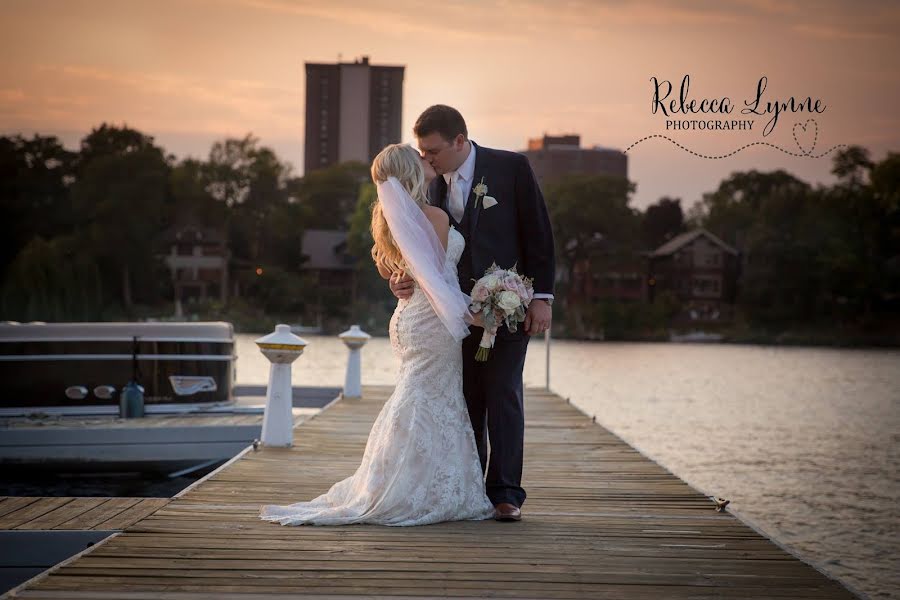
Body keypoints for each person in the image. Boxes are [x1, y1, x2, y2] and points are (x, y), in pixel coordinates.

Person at [259, 143, 495, 526]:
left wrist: (402, 281)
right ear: (410, 170)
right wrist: (478, 316)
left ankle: (398, 479)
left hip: (408, 319)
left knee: (417, 395)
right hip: (431, 320)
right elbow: (438, 283)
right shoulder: (432, 216)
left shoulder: (388, 218)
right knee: (428, 398)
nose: (426, 158)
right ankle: (414, 488)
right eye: (418, 156)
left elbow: (395, 271)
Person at [390, 105, 556, 522]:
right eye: (422, 152)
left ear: (460, 141)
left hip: (509, 303)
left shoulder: (511, 168)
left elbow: (539, 233)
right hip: (447, 317)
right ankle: (471, 491)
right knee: (465, 400)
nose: (426, 159)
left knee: (503, 393)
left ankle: (505, 493)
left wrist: (542, 297)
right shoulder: (425, 184)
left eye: (433, 151)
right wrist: (398, 280)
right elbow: (410, 250)